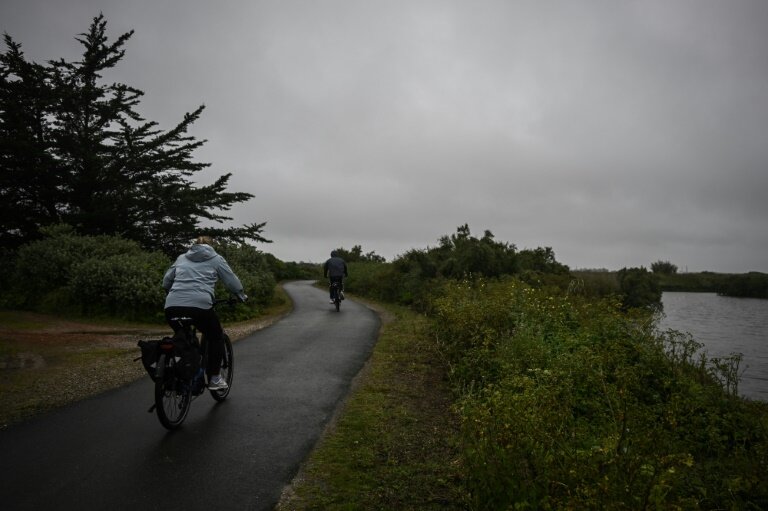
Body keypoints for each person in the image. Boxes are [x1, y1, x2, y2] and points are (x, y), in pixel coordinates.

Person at [162, 236, 247, 390]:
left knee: (183, 339)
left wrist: (172, 294)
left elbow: (166, 281)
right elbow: (231, 281)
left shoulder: (181, 258)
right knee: (215, 336)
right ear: (211, 246)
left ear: (194, 246)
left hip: (172, 305)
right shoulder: (216, 259)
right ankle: (214, 378)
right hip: (200, 306)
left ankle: (181, 374)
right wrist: (240, 295)